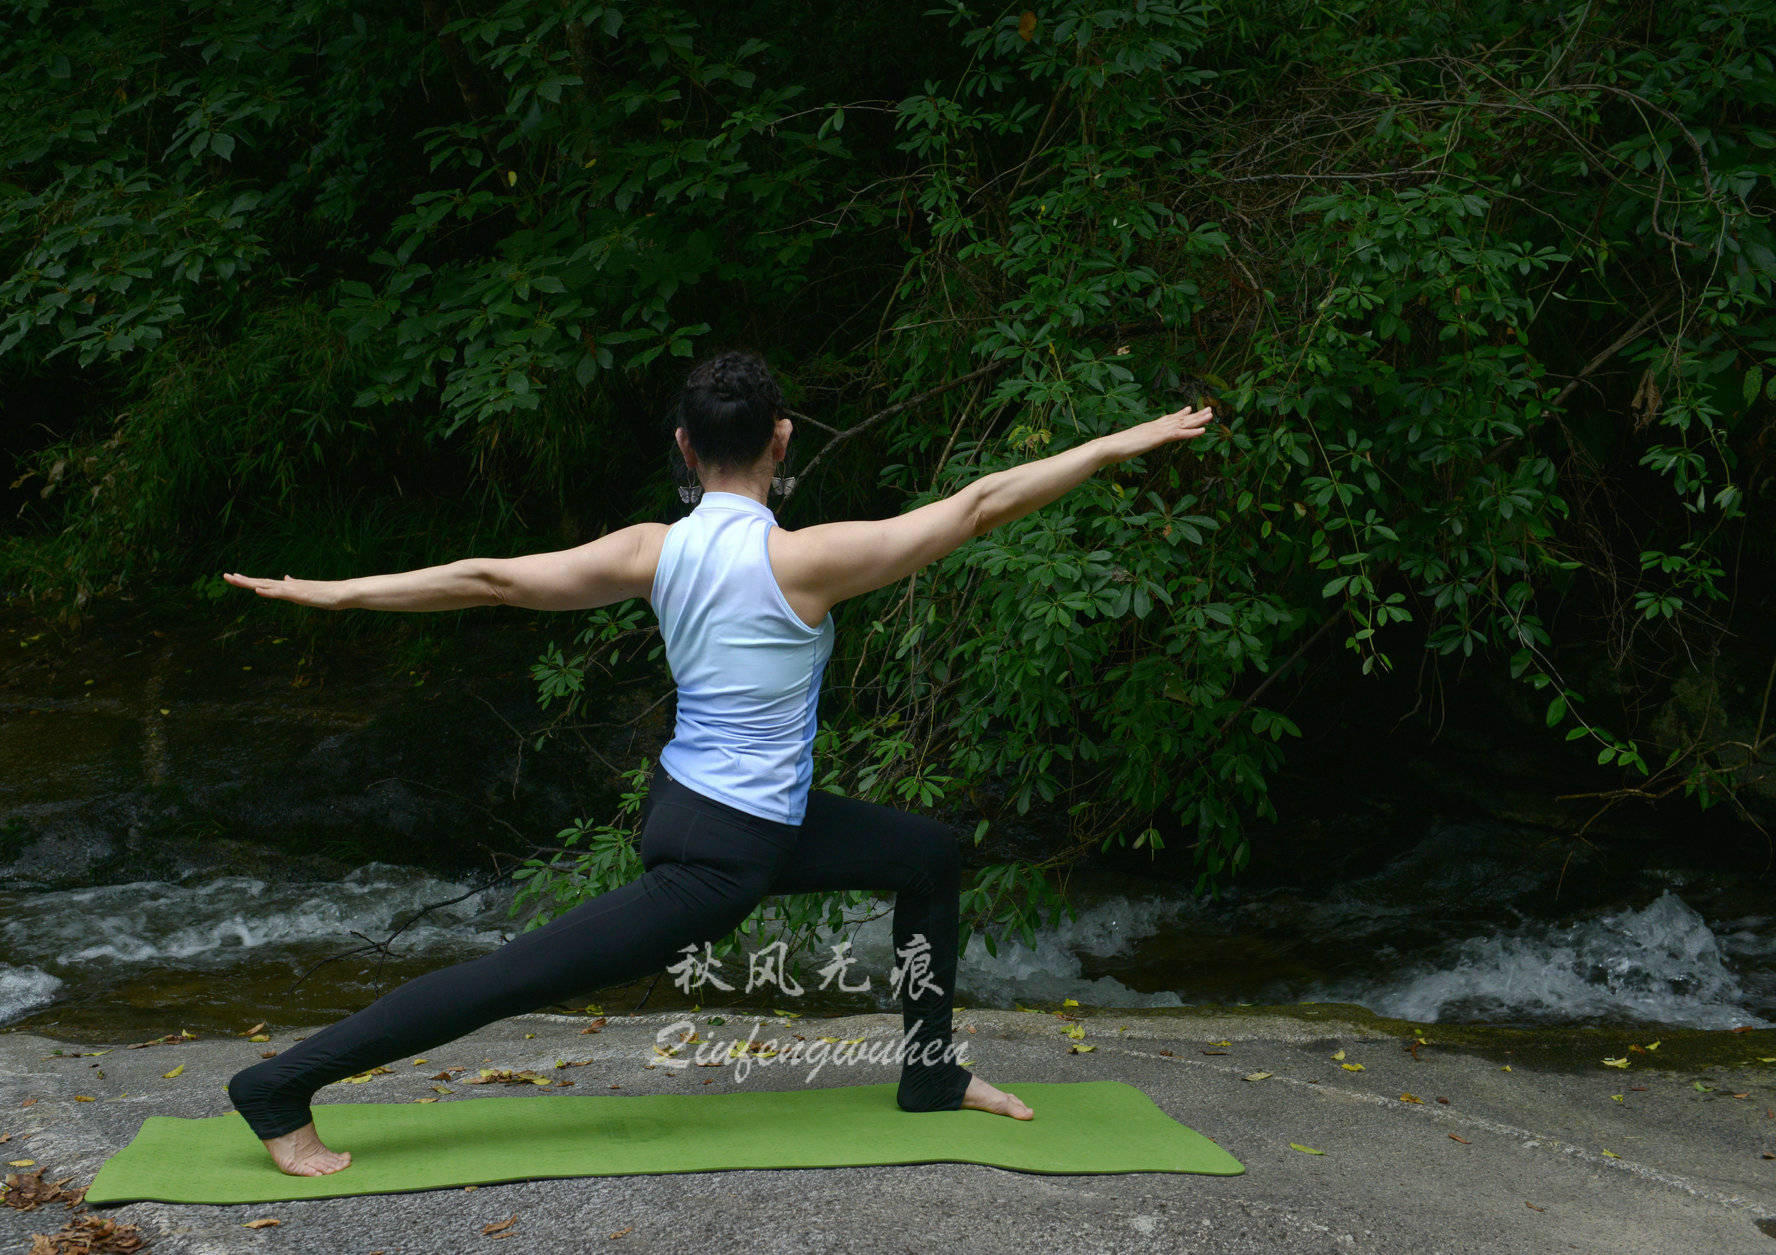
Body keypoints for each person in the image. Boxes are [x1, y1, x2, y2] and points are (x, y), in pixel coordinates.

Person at [220, 350, 1213, 1177]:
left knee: (927, 853)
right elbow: (979, 504)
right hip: (718, 856)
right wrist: (1108, 443)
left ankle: (929, 1072)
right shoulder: (807, 559)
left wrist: (340, 593)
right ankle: (277, 1086)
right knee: (514, 974)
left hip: (720, 809)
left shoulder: (648, 550)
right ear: (781, 438)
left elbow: (488, 578)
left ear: (686, 449)